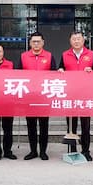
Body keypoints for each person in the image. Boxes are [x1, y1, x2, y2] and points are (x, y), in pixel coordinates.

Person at [58, 31, 93, 161]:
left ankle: (86, 151)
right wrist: (60, 70)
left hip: (85, 95)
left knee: (85, 125)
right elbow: (60, 68)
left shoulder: (91, 54)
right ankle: (72, 151)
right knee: (71, 125)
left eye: (79, 39)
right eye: (74, 39)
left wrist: (92, 70)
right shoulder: (65, 55)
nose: (76, 41)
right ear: (70, 41)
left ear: (83, 41)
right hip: (70, 95)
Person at [20, 31, 56, 160]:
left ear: (43, 43)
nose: (36, 44)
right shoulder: (23, 56)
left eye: (38, 41)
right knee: (31, 126)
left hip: (44, 97)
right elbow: (18, 75)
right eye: (34, 41)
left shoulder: (49, 56)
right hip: (29, 97)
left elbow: (54, 75)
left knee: (44, 126)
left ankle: (43, 152)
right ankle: (33, 151)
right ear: (30, 43)